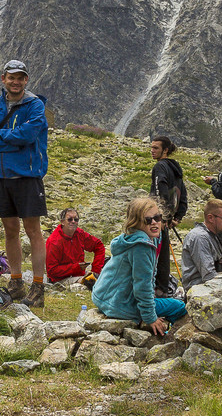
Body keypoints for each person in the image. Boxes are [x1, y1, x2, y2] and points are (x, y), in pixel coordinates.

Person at [0, 60, 49, 307]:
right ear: (3, 79)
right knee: (10, 230)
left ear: (26, 80)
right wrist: (13, 141)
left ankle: (38, 287)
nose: (16, 81)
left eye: (20, 77)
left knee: (33, 231)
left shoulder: (35, 105)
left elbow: (29, 135)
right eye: (11, 77)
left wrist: (3, 136)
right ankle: (16, 282)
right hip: (0, 177)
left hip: (27, 176)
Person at [92, 197, 188, 336]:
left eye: (157, 217)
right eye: (148, 220)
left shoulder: (131, 238)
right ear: (136, 223)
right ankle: (170, 337)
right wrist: (150, 317)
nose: (154, 222)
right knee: (178, 306)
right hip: (120, 304)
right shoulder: (142, 247)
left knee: (161, 302)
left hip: (103, 297)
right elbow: (142, 286)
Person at [148, 136, 188, 296]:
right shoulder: (176, 169)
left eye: (156, 148)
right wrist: (177, 217)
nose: (152, 150)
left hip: (157, 219)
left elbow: (160, 190)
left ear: (165, 150)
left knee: (153, 255)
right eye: (151, 147)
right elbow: (183, 195)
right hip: (166, 220)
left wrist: (161, 217)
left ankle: (154, 292)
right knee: (163, 256)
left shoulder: (160, 167)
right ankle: (162, 290)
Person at [45, 208, 106, 283]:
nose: (73, 222)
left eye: (76, 220)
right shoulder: (54, 241)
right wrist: (76, 267)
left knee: (105, 278)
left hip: (79, 274)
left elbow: (98, 246)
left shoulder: (79, 233)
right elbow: (52, 271)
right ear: (62, 222)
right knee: (90, 282)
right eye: (70, 219)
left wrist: (95, 271)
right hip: (60, 279)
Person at [180, 198, 222, 289]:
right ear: (210, 218)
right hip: (199, 290)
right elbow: (208, 276)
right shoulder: (200, 237)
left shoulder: (212, 234)